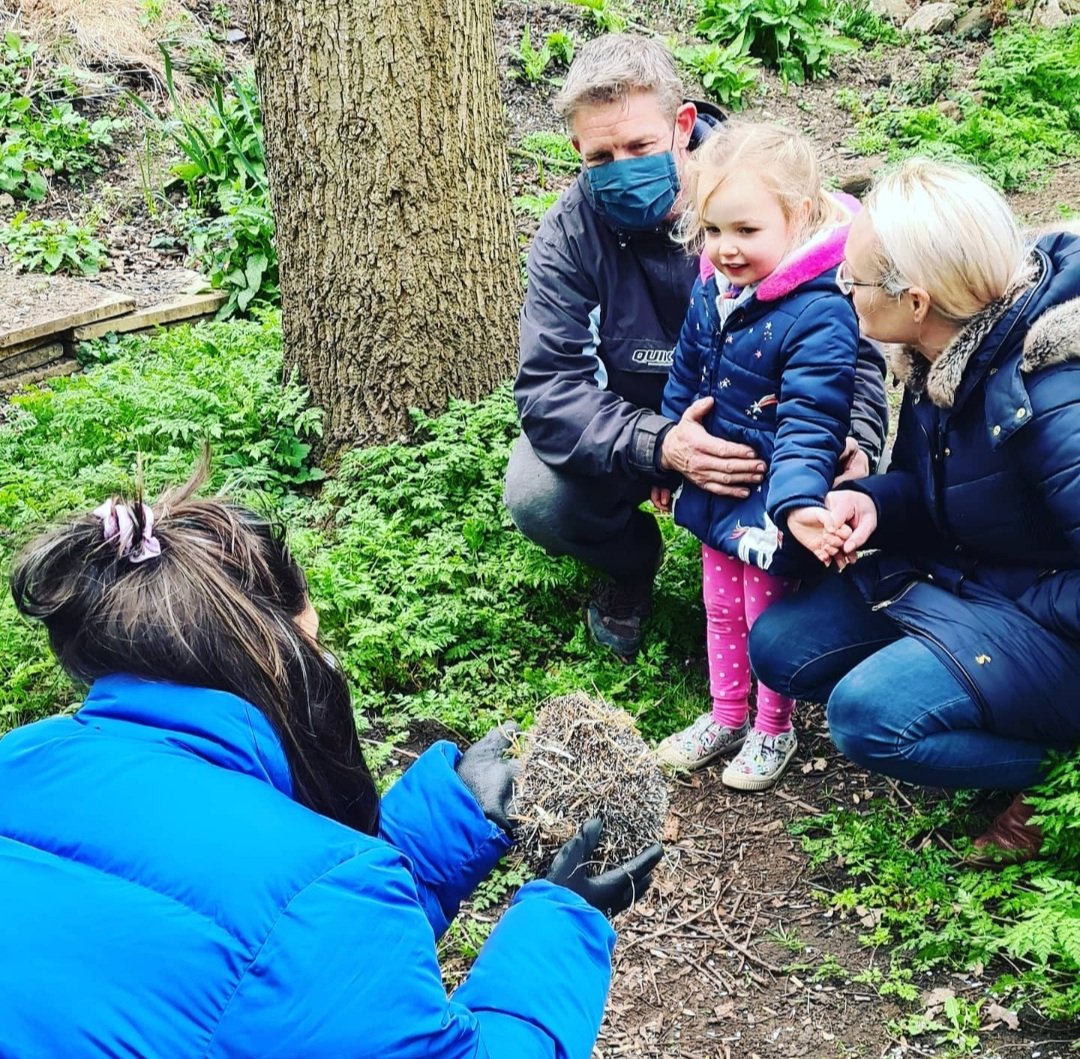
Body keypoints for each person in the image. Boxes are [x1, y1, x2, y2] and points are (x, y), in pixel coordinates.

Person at [0, 465, 662, 1057]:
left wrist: (437, 834)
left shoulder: (19, 757)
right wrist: (562, 924)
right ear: (274, 654)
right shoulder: (320, 905)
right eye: (314, 646)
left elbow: (275, 965)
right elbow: (290, 936)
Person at [505, 33, 889, 662]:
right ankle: (630, 565)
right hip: (645, 425)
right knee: (537, 493)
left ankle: (798, 587)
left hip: (774, 420)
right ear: (575, 149)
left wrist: (861, 441)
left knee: (833, 455)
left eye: (639, 146)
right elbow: (550, 390)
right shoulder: (568, 235)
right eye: (600, 156)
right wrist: (660, 446)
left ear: (683, 125)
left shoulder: (767, 190)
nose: (621, 168)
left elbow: (857, 343)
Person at [748, 157, 1080, 862]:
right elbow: (946, 495)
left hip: (1049, 620)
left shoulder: (1052, 393)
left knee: (868, 718)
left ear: (916, 300)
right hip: (973, 578)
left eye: (856, 278)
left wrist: (1015, 630)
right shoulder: (943, 353)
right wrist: (871, 502)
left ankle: (1055, 774)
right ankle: (970, 693)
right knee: (780, 646)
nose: (843, 288)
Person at [650, 122, 859, 789]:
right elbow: (684, 375)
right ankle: (726, 711)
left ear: (796, 217)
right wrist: (665, 455)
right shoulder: (713, 292)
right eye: (713, 230)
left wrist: (798, 501)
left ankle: (774, 724)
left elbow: (813, 417)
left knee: (766, 610)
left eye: (746, 230)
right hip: (715, 479)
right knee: (719, 604)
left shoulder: (820, 311)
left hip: (773, 490)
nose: (726, 248)